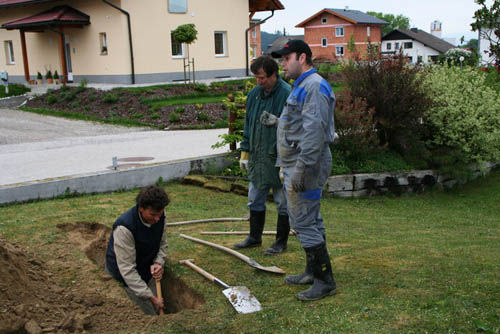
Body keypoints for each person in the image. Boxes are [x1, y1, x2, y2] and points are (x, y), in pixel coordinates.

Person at [267, 40, 337, 300]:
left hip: (306, 163)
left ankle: (324, 280)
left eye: (287, 58)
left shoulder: (314, 86)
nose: (283, 64)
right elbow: (300, 124)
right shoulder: (302, 86)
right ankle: (312, 270)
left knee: (303, 220)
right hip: (299, 161)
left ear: (303, 57)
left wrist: (301, 168)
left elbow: (315, 131)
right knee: (309, 219)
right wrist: (278, 123)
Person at [234, 55, 291, 255]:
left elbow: (293, 128)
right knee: (254, 197)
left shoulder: (286, 94)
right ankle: (254, 237)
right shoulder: (254, 95)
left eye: (263, 78)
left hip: (278, 157)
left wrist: (287, 160)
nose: (259, 82)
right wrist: (245, 151)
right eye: (256, 78)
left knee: (283, 201)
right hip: (258, 157)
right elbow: (248, 124)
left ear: (274, 74)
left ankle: (280, 242)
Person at [105, 185, 169, 315]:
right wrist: (150, 297)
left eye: (160, 213)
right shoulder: (124, 228)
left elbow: (162, 243)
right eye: (153, 214)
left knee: (156, 308)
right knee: (149, 313)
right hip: (124, 275)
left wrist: (158, 262)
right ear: (141, 208)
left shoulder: (160, 216)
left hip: (145, 268)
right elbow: (127, 270)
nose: (157, 219)